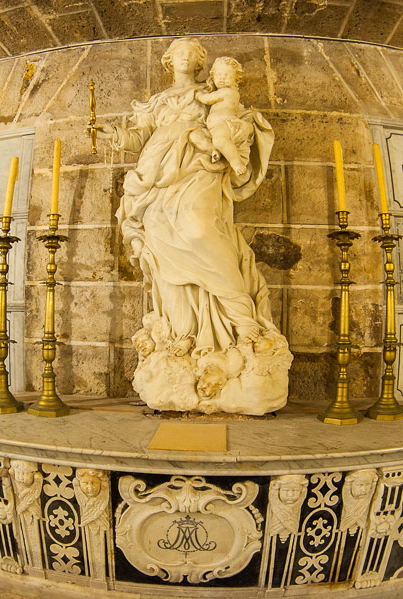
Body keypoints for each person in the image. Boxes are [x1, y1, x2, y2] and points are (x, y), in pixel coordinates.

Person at [97, 38, 290, 414]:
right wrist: (116, 137)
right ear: (169, 60)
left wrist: (231, 138)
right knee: (160, 240)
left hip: (200, 166)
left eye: (193, 52)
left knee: (200, 229)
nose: (186, 56)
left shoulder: (211, 92)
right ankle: (184, 334)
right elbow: (140, 136)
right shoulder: (158, 101)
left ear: (202, 62)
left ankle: (241, 319)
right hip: (157, 171)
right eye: (179, 51)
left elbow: (234, 122)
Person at [196, 56, 250, 175]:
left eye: (227, 75)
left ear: (236, 79)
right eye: (218, 75)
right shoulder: (226, 92)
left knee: (220, 140)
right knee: (198, 137)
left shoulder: (227, 91)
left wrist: (198, 94)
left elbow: (207, 99)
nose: (222, 78)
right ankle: (216, 151)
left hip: (225, 124)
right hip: (216, 127)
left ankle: (236, 162)